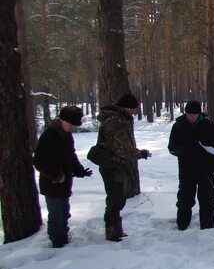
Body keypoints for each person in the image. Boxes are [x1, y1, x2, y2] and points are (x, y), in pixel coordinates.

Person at [33, 106, 92, 248]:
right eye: (70, 124)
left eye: (74, 126)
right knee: (56, 214)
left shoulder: (67, 136)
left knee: (64, 211)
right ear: (62, 120)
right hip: (51, 183)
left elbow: (71, 156)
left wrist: (80, 171)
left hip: (65, 182)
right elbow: (39, 161)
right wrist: (56, 175)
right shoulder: (49, 136)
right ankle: (57, 242)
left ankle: (63, 236)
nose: (71, 128)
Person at [96, 94, 150, 241]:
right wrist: (139, 154)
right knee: (115, 199)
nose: (134, 112)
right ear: (125, 107)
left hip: (118, 164)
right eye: (132, 109)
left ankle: (116, 230)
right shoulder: (115, 121)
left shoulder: (122, 119)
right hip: (112, 165)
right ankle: (112, 231)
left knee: (118, 198)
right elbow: (122, 148)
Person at [168, 101, 214, 230]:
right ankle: (182, 226)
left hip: (206, 170)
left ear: (199, 114)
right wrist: (185, 152)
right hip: (187, 169)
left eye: (194, 114)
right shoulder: (178, 126)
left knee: (207, 199)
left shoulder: (208, 126)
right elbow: (172, 147)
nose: (191, 117)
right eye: (189, 114)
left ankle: (207, 227)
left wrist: (207, 152)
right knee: (185, 199)